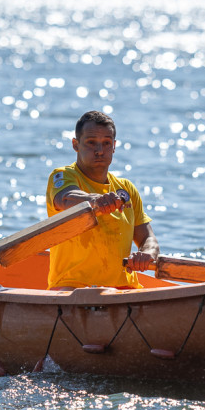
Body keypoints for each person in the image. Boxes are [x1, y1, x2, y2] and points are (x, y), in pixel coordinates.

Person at [45, 110, 159, 290]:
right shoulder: (63, 176)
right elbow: (66, 199)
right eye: (91, 143)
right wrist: (96, 200)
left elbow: (148, 238)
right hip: (73, 288)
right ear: (76, 144)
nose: (99, 151)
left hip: (124, 289)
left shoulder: (126, 189)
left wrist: (146, 253)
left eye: (106, 143)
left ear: (114, 146)